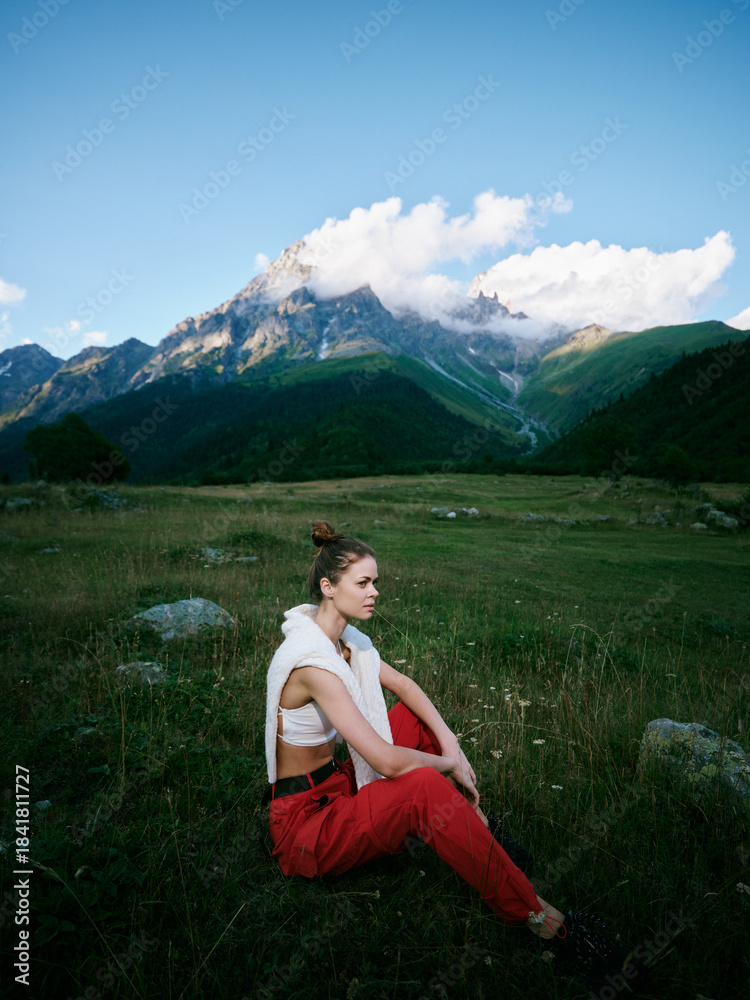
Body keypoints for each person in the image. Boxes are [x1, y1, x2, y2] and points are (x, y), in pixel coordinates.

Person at [264, 520, 648, 995]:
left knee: (415, 718)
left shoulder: (347, 644)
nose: (375, 592)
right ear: (328, 586)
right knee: (423, 785)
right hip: (306, 828)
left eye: (375, 582)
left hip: (338, 788)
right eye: (363, 583)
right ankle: (546, 923)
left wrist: (453, 747)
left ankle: (488, 838)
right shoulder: (310, 660)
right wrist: (445, 767)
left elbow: (405, 688)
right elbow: (385, 762)